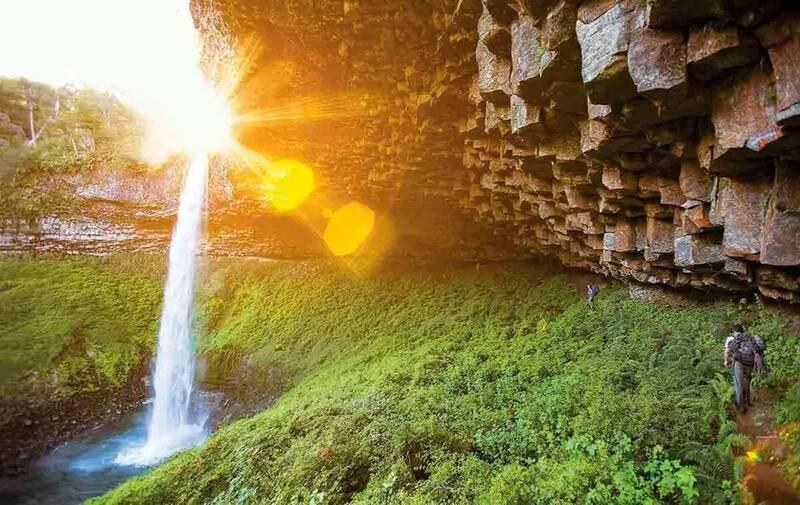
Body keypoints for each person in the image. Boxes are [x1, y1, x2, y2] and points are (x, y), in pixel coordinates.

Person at [724, 324, 767, 413]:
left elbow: (727, 351)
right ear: (742, 331)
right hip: (750, 363)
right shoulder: (750, 338)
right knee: (747, 383)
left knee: (739, 385)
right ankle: (748, 402)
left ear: (734, 332)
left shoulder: (732, 339)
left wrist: (726, 361)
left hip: (739, 363)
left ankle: (741, 407)